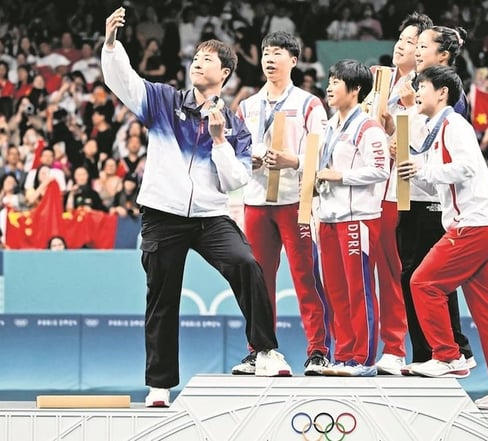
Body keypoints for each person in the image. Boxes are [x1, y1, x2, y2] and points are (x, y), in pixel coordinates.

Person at [102, 7, 291, 409]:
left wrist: (220, 140)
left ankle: (265, 350)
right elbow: (125, 82)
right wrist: (112, 45)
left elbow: (236, 181)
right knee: (162, 298)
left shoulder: (235, 125)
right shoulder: (162, 100)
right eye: (196, 57)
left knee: (246, 264)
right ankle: (159, 386)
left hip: (209, 218)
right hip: (162, 214)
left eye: (207, 59)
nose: (197, 63)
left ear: (223, 73)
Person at [397, 65, 488, 410]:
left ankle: (448, 356)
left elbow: (468, 166)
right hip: (485, 225)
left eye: (422, 86)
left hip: (473, 226)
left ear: (442, 92)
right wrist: (413, 169)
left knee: (422, 283)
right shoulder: (432, 129)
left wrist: (424, 169)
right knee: (487, 311)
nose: (417, 92)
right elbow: (433, 181)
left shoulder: (454, 124)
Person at [234, 31, 331, 376]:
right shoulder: (247, 105)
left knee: (306, 276)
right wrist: (253, 159)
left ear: (293, 60)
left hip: (295, 200)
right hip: (257, 201)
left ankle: (318, 350)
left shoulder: (309, 103)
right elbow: (236, 148)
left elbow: (320, 150)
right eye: (265, 53)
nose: (270, 59)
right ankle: (258, 350)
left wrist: (294, 161)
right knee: (259, 280)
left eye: (277, 53)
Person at [396, 21, 476, 375]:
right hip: (413, 197)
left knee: (427, 279)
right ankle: (431, 352)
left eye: (422, 45)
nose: (415, 50)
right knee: (417, 277)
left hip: (435, 202)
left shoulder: (447, 98)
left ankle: (448, 351)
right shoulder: (419, 90)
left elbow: (452, 160)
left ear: (443, 55)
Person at [314, 59, 389, 376]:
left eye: (337, 81)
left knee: (358, 288)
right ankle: (343, 355)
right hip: (328, 218)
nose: (330, 86)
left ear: (355, 89)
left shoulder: (368, 128)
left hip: (358, 218)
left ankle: (364, 359)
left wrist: (339, 175)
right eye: (329, 79)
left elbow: (381, 170)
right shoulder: (329, 126)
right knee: (335, 290)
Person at [374, 12, 434, 377]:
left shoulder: (422, 90)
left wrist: (404, 113)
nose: (402, 44)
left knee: (400, 271)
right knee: (380, 272)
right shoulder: (381, 83)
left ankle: (398, 349)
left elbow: (419, 143)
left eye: (413, 42)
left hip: (405, 192)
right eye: (402, 37)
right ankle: (380, 347)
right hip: (371, 190)